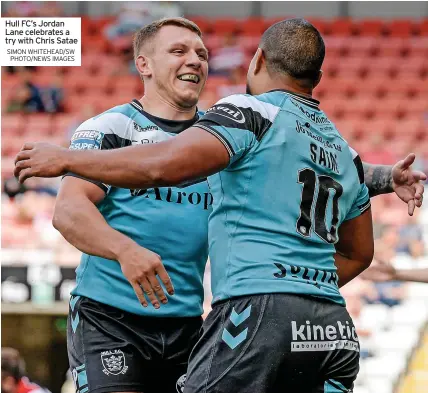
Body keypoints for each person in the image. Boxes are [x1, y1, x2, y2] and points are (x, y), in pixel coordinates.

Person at [14, 18, 426, 393]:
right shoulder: (110, 127)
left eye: (202, 54)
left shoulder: (228, 132)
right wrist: (124, 249)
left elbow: (296, 161)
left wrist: (386, 177)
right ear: (143, 64)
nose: (195, 59)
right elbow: (68, 211)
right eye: (179, 51)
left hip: (191, 323)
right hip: (112, 319)